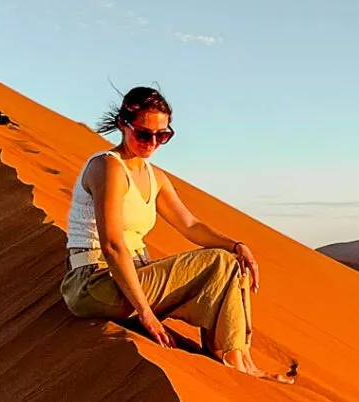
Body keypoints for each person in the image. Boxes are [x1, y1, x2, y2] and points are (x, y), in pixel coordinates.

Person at [59, 86, 294, 383]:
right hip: (96, 283)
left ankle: (239, 359)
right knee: (219, 263)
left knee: (232, 262)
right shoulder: (108, 167)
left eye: (163, 135)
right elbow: (112, 244)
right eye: (144, 134)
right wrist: (146, 314)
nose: (153, 143)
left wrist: (237, 245)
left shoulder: (155, 176)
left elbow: (190, 225)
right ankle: (238, 366)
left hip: (133, 276)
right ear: (123, 124)